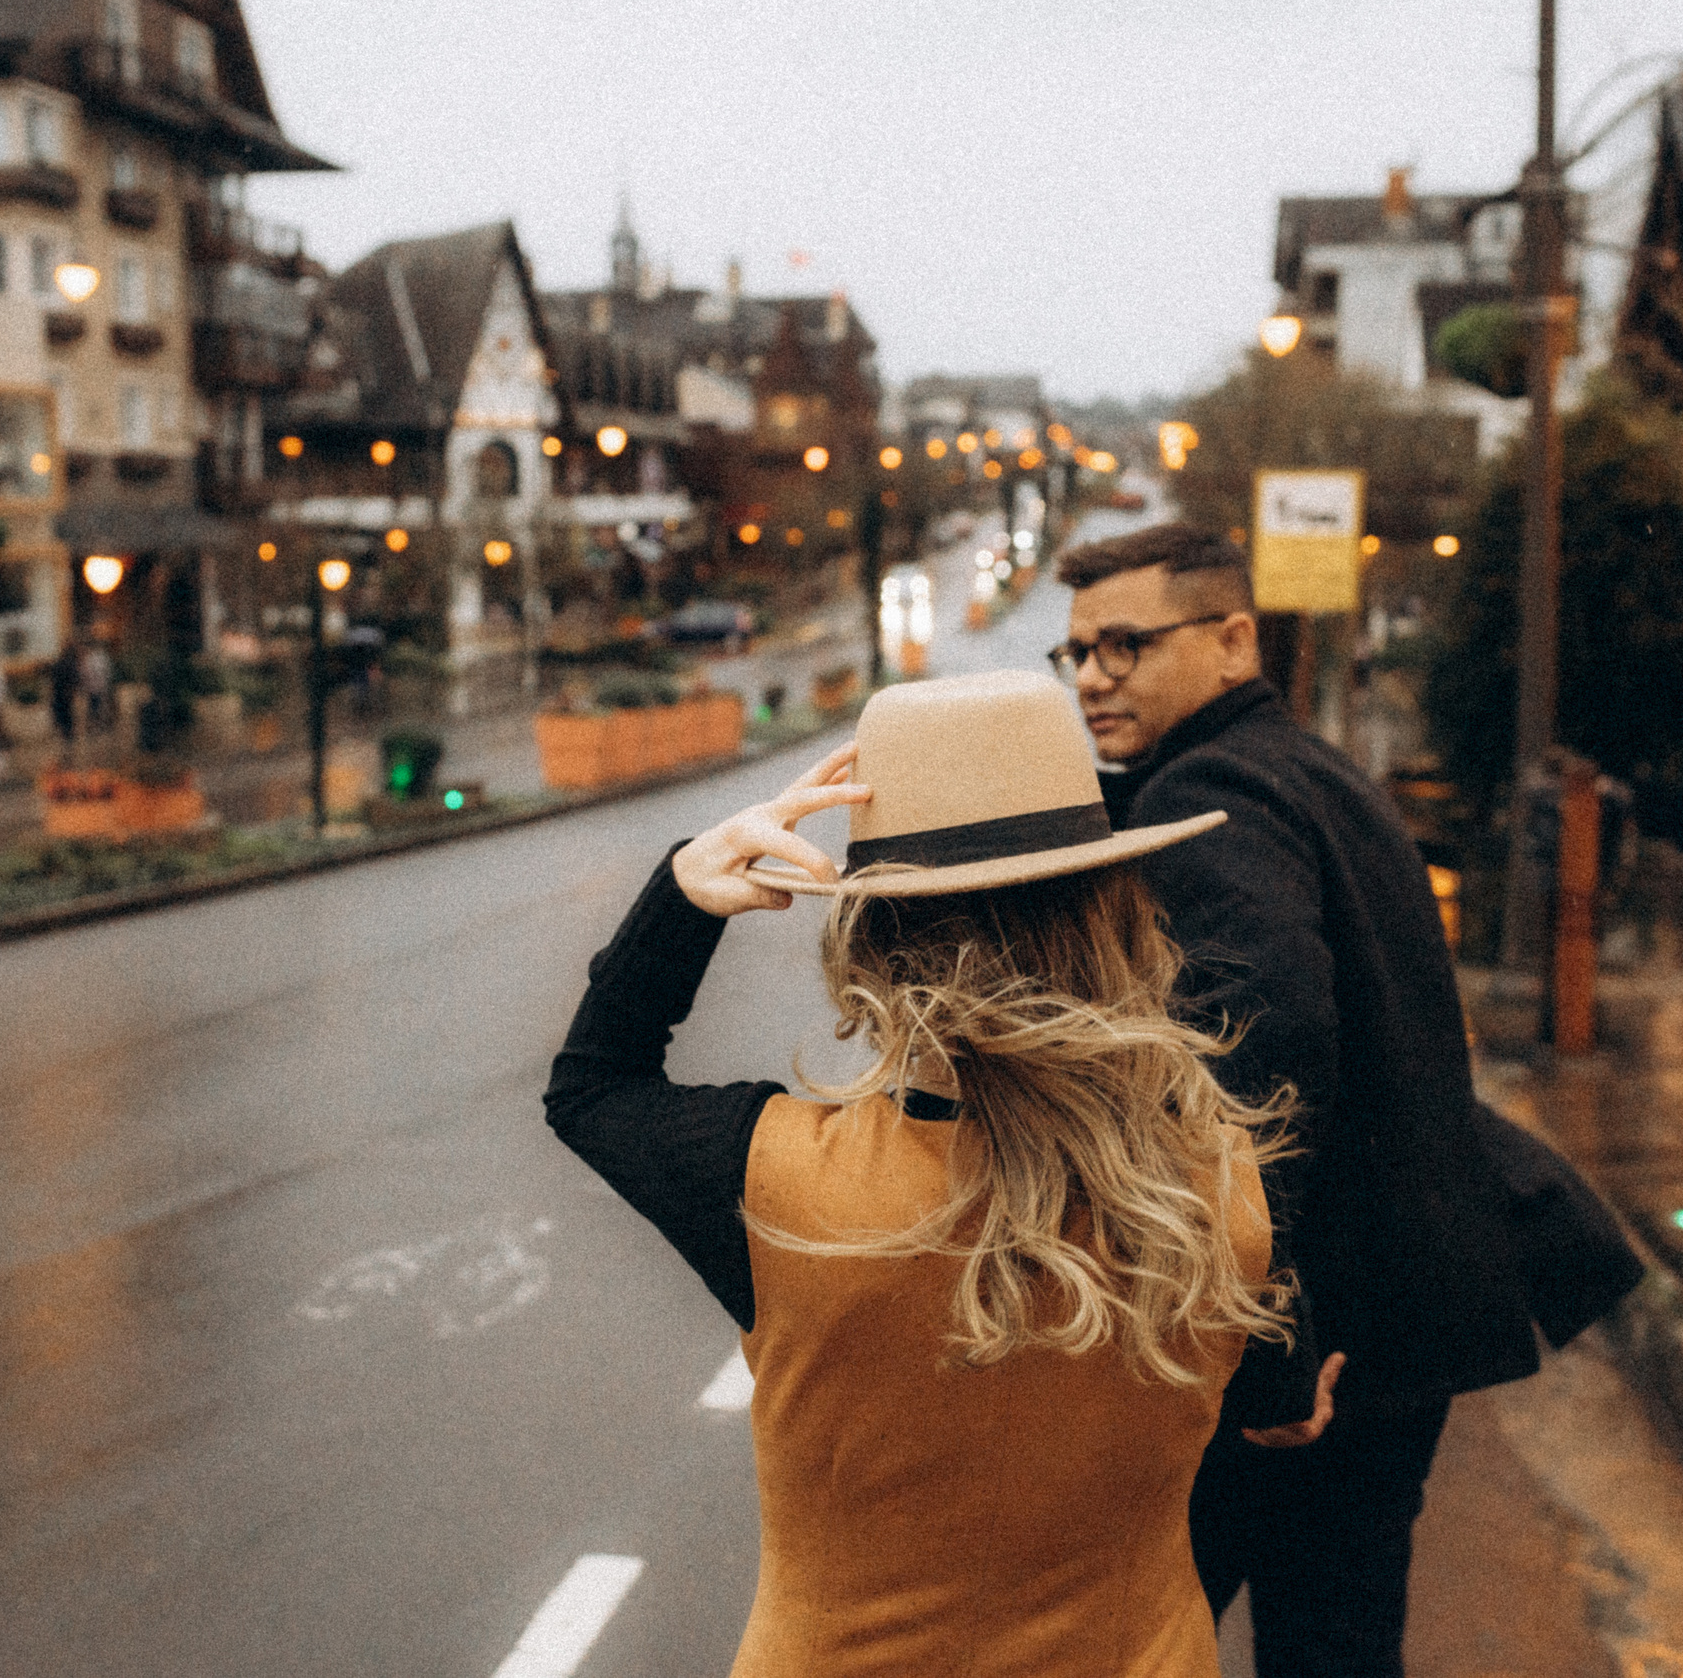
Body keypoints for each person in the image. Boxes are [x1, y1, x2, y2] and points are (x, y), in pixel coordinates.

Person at [547, 670, 1298, 1677]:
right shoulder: (1214, 1182)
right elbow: (1255, 1395)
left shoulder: (778, 1184)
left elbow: (592, 1085)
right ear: (1117, 915)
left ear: (868, 942)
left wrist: (685, 888)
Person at [1051, 524, 1642, 1677]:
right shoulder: (1307, 769)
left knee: (1120, 1642)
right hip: (1384, 1335)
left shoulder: (1211, 789)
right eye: (1073, 653)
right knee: (1335, 1643)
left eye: (1125, 644)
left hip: (1305, 1357)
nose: (1091, 677)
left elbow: (1261, 1049)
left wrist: (1261, 1325)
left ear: (1231, 640)